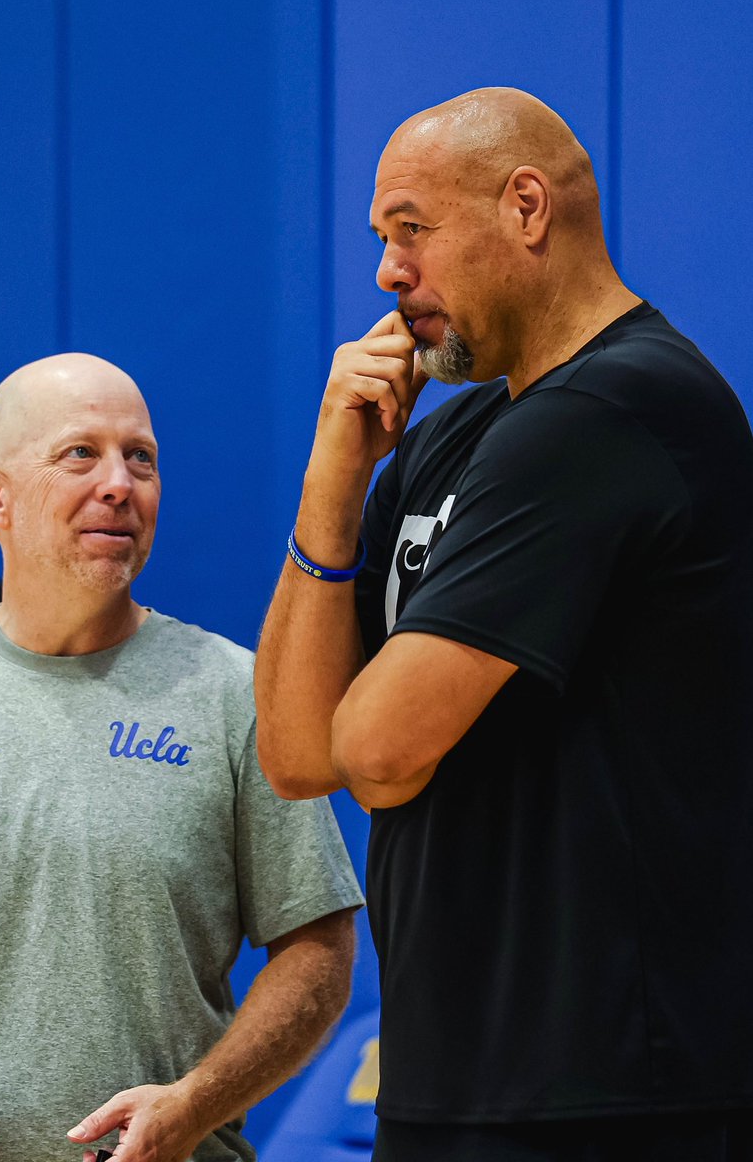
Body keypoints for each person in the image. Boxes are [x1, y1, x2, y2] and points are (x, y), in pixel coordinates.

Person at [254, 87, 753, 1161]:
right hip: (448, 1076)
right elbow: (299, 755)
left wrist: (373, 752)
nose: (388, 274)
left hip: (610, 1094)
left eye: (410, 231)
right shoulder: (456, 431)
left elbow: (375, 749)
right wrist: (334, 474)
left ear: (525, 207)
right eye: (383, 242)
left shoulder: (619, 409)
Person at [0, 352, 361, 1162]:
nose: (120, 484)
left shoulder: (238, 691)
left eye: (142, 458)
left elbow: (318, 949)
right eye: (79, 454)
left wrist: (195, 1105)